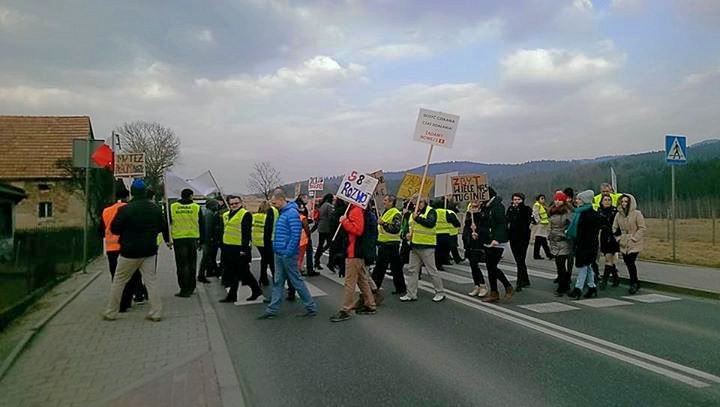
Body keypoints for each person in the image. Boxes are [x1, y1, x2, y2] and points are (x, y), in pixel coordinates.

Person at [102, 179, 169, 322]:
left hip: (129, 252)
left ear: (132, 193)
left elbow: (115, 228)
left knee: (119, 281)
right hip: (149, 251)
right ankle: (156, 312)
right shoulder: (154, 209)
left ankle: (111, 312)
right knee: (151, 282)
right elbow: (162, 227)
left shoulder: (126, 209)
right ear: (145, 192)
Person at [258, 189, 317, 319]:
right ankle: (272, 309)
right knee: (279, 281)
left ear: (281, 200)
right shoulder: (284, 213)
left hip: (286, 254)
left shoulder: (290, 213)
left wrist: (288, 252)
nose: (273, 205)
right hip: (280, 252)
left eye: (274, 202)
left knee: (295, 281)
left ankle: (310, 307)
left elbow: (295, 235)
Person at [330, 202, 377, 322]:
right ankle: (370, 304)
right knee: (362, 280)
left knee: (350, 282)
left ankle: (346, 309)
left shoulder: (356, 210)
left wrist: (344, 221)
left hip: (354, 251)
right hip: (358, 251)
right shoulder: (357, 209)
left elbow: (358, 230)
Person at [100, 186, 140, 312]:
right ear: (127, 197)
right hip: (126, 247)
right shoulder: (129, 209)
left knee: (116, 277)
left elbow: (100, 231)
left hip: (111, 249)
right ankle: (126, 302)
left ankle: (117, 302)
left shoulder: (106, 211)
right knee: (130, 276)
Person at [400, 197, 446, 303]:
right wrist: (407, 235)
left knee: (432, 271)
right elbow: (410, 227)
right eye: (415, 203)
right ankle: (411, 294)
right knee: (412, 271)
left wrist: (418, 219)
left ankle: (440, 292)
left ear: (424, 202)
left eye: (420, 202)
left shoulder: (431, 211)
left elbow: (430, 223)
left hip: (427, 245)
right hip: (414, 245)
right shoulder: (414, 213)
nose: (417, 204)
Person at [219, 195, 262, 303]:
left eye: (236, 203)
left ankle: (254, 291)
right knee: (235, 273)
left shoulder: (245, 214)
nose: (234, 205)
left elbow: (246, 234)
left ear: (241, 203)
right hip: (228, 247)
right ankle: (233, 295)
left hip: (239, 248)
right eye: (231, 204)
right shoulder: (226, 214)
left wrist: (244, 249)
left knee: (243, 273)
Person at [478, 188, 513, 303]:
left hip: (497, 242)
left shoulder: (498, 206)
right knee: (489, 267)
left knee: (492, 266)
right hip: (487, 240)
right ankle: (494, 292)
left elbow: (501, 224)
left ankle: (507, 286)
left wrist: (497, 239)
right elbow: (483, 223)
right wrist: (476, 232)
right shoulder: (484, 206)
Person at [566, 190, 603, 299]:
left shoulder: (588, 215)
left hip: (587, 244)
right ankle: (592, 287)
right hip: (585, 244)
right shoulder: (581, 213)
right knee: (588, 266)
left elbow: (587, 231)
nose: (576, 201)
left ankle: (578, 289)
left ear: (584, 201)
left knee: (583, 266)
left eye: (579, 199)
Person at [169, 188, 204, 297]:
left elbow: (168, 222)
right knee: (192, 264)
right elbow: (202, 224)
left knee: (181, 265)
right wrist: (202, 241)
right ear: (191, 196)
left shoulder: (173, 207)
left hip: (179, 239)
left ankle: (184, 289)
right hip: (193, 239)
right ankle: (191, 286)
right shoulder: (196, 207)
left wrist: (167, 240)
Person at [371, 195, 407, 297]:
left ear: (392, 202)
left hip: (390, 244)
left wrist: (384, 224)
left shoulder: (395, 213)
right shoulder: (386, 212)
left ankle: (373, 288)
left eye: (386, 200)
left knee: (380, 268)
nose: (383, 202)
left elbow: (396, 228)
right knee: (396, 268)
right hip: (385, 243)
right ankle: (401, 288)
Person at [613, 194, 646, 294]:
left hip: (634, 242)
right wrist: (618, 238)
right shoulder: (618, 214)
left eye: (626, 202)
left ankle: (633, 283)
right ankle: (636, 281)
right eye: (622, 201)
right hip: (623, 241)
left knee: (631, 262)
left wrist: (634, 238)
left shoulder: (636, 214)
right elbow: (614, 227)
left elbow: (642, 227)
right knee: (627, 262)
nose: (624, 204)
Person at [548, 190, 575, 296]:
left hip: (564, 240)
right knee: (559, 265)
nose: (557, 202)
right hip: (554, 240)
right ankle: (564, 285)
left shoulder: (567, 212)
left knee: (561, 264)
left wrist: (565, 234)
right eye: (556, 199)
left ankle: (563, 286)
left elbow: (571, 226)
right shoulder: (552, 211)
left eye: (559, 200)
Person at [506, 192, 533, 292]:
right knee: (519, 260)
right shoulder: (510, 209)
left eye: (518, 199)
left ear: (522, 200)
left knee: (520, 259)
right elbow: (507, 220)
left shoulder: (526, 209)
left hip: (523, 237)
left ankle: (519, 282)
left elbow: (527, 221)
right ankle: (525, 279)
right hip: (513, 237)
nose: (516, 201)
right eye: (515, 199)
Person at [463, 200, 488, 297]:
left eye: (475, 206)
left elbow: (485, 229)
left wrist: (477, 232)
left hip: (478, 244)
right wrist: (468, 236)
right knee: (472, 266)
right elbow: (466, 229)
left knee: (475, 264)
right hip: (469, 243)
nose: (473, 208)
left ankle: (482, 285)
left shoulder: (483, 215)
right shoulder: (469, 215)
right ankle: (476, 285)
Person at [597, 195, 620, 289]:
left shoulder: (614, 211)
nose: (607, 202)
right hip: (604, 236)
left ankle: (605, 281)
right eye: (605, 200)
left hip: (612, 237)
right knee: (610, 259)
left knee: (608, 259)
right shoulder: (599, 212)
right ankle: (615, 278)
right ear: (601, 202)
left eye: (609, 200)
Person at [198, 198, 222, 281]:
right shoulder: (209, 214)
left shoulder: (207, 212)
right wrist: (210, 239)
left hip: (208, 239)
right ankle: (201, 275)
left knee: (209, 257)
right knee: (206, 257)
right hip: (209, 240)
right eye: (216, 205)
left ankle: (209, 272)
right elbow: (208, 228)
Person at [252, 200, 272, 286]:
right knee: (267, 259)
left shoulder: (254, 216)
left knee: (264, 258)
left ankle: (263, 277)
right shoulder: (267, 217)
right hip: (265, 241)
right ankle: (263, 277)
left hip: (256, 241)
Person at [313, 193, 335, 270]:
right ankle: (320, 255)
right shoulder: (329, 206)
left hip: (321, 227)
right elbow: (331, 217)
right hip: (327, 228)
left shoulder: (322, 205)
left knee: (320, 244)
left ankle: (317, 260)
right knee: (330, 244)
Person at [532, 194, 553, 260]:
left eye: (543, 198)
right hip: (540, 225)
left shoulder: (542, 206)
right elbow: (535, 214)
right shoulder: (537, 205)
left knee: (539, 241)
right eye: (541, 198)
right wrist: (538, 221)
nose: (543, 200)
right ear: (538, 199)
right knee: (542, 240)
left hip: (544, 225)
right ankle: (548, 254)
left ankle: (537, 254)